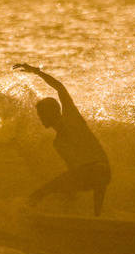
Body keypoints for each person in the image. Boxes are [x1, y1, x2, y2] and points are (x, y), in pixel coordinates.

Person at [13, 64, 111, 216]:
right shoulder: (58, 143)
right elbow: (73, 172)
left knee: (45, 190)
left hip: (100, 171)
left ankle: (98, 216)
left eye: (41, 114)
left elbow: (60, 88)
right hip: (87, 176)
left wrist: (37, 72)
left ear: (51, 113)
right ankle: (65, 218)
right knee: (57, 192)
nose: (40, 119)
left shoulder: (71, 119)